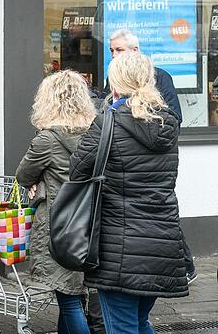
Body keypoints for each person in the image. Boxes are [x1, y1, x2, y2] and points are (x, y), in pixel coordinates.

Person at [71, 52, 187, 333]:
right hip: (162, 244)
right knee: (138, 323)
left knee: (122, 327)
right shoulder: (167, 122)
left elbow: (77, 171)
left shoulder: (109, 122)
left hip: (119, 246)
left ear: (115, 83)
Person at [15, 71, 96, 334]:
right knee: (73, 294)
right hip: (91, 222)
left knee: (69, 300)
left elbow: (23, 175)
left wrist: (36, 183)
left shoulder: (47, 140)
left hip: (59, 227)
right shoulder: (98, 135)